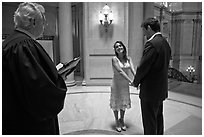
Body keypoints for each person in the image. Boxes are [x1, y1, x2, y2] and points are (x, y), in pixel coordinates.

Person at [2, 2, 67, 135]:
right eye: (43, 21)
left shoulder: (10, 42)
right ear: (33, 22)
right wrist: (57, 80)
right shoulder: (25, 46)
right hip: (31, 123)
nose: (44, 26)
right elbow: (40, 91)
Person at [132, 18, 171, 135]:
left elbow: (143, 67)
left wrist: (136, 82)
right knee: (158, 117)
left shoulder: (152, 44)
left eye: (144, 31)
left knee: (149, 121)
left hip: (150, 91)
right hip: (160, 89)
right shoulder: (165, 43)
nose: (144, 34)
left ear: (148, 28)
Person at [110, 41, 135, 132]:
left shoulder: (128, 58)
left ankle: (122, 119)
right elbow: (120, 71)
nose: (119, 47)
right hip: (116, 84)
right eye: (117, 47)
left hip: (125, 85)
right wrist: (130, 81)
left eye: (120, 45)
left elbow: (132, 69)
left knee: (124, 101)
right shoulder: (114, 59)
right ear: (115, 50)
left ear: (123, 47)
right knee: (116, 102)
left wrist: (136, 79)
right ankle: (117, 121)